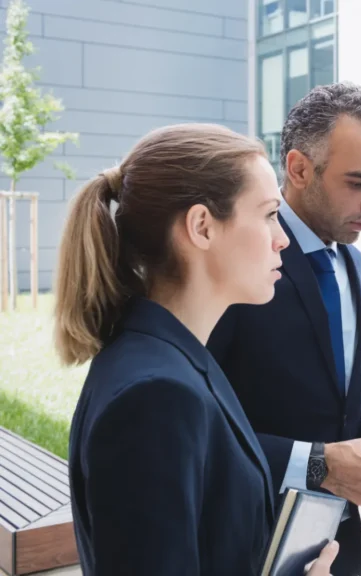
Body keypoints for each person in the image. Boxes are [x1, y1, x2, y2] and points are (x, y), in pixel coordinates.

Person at [57, 124, 338, 575]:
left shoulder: (172, 359)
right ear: (202, 226)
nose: (281, 237)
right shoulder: (155, 395)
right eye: (268, 214)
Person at [207, 82, 361, 576]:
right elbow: (200, 424)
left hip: (338, 534)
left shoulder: (357, 265)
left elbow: (345, 385)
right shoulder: (236, 265)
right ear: (300, 168)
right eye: (358, 182)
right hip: (248, 535)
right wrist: (319, 462)